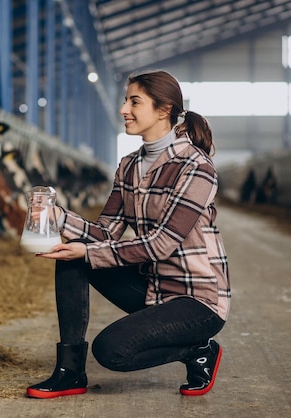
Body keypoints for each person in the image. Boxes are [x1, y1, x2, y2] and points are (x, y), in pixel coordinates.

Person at [26, 70, 230, 399]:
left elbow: (163, 243)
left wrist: (89, 252)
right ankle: (69, 371)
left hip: (197, 299)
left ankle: (197, 350)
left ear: (164, 110)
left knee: (112, 352)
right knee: (72, 257)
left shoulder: (195, 167)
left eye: (135, 101)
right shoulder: (130, 165)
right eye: (125, 101)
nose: (124, 109)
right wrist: (58, 217)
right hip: (153, 287)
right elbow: (106, 231)